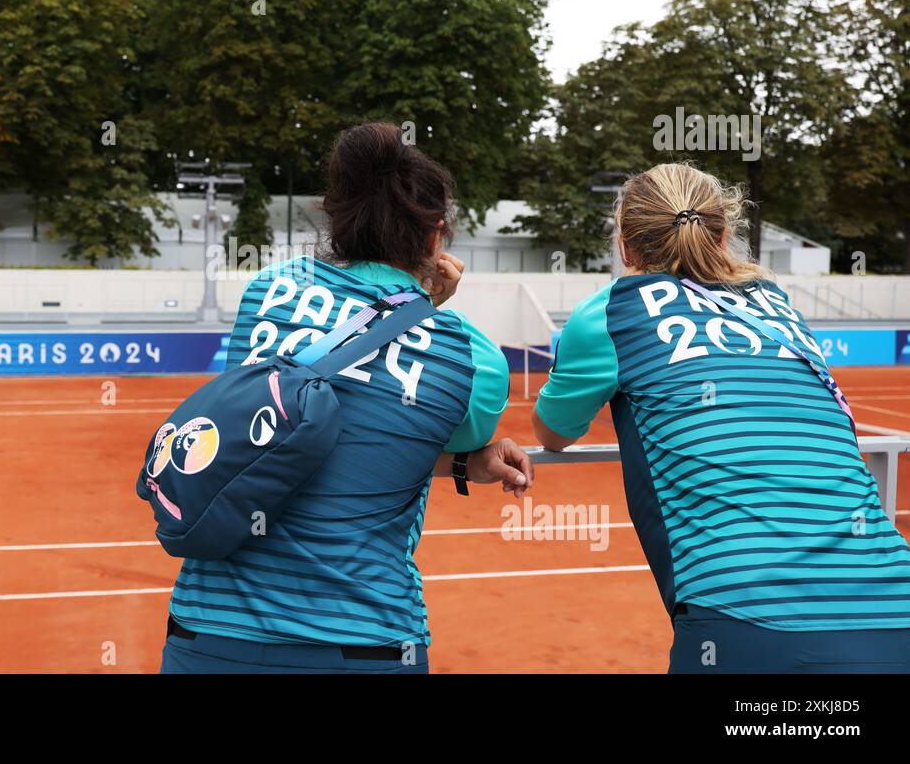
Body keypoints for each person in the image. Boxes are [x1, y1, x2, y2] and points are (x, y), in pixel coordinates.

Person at [160, 122, 531, 674]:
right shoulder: (470, 356)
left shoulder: (269, 289)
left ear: (336, 219)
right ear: (435, 236)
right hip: (366, 640)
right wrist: (427, 305)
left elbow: (291, 432)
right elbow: (392, 437)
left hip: (208, 635)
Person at [533, 162, 910, 673]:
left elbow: (554, 432)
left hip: (740, 612)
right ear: (725, 232)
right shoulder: (776, 303)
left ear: (625, 244)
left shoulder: (612, 311)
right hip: (891, 602)